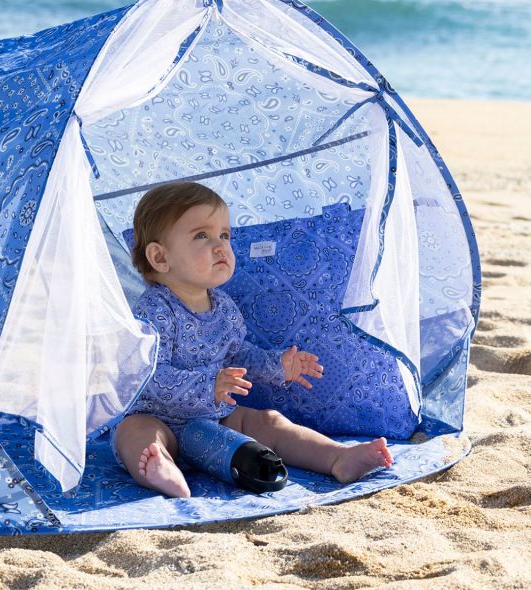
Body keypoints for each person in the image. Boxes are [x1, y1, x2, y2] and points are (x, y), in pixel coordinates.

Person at [113, 181, 394, 498]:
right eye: (202, 235)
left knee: (269, 422)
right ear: (160, 258)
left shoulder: (224, 310)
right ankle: (160, 468)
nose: (221, 246)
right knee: (133, 433)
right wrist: (209, 385)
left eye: (225, 235)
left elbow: (238, 356)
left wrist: (276, 366)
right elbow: (145, 373)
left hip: (215, 419)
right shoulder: (154, 311)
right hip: (160, 418)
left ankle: (336, 457)